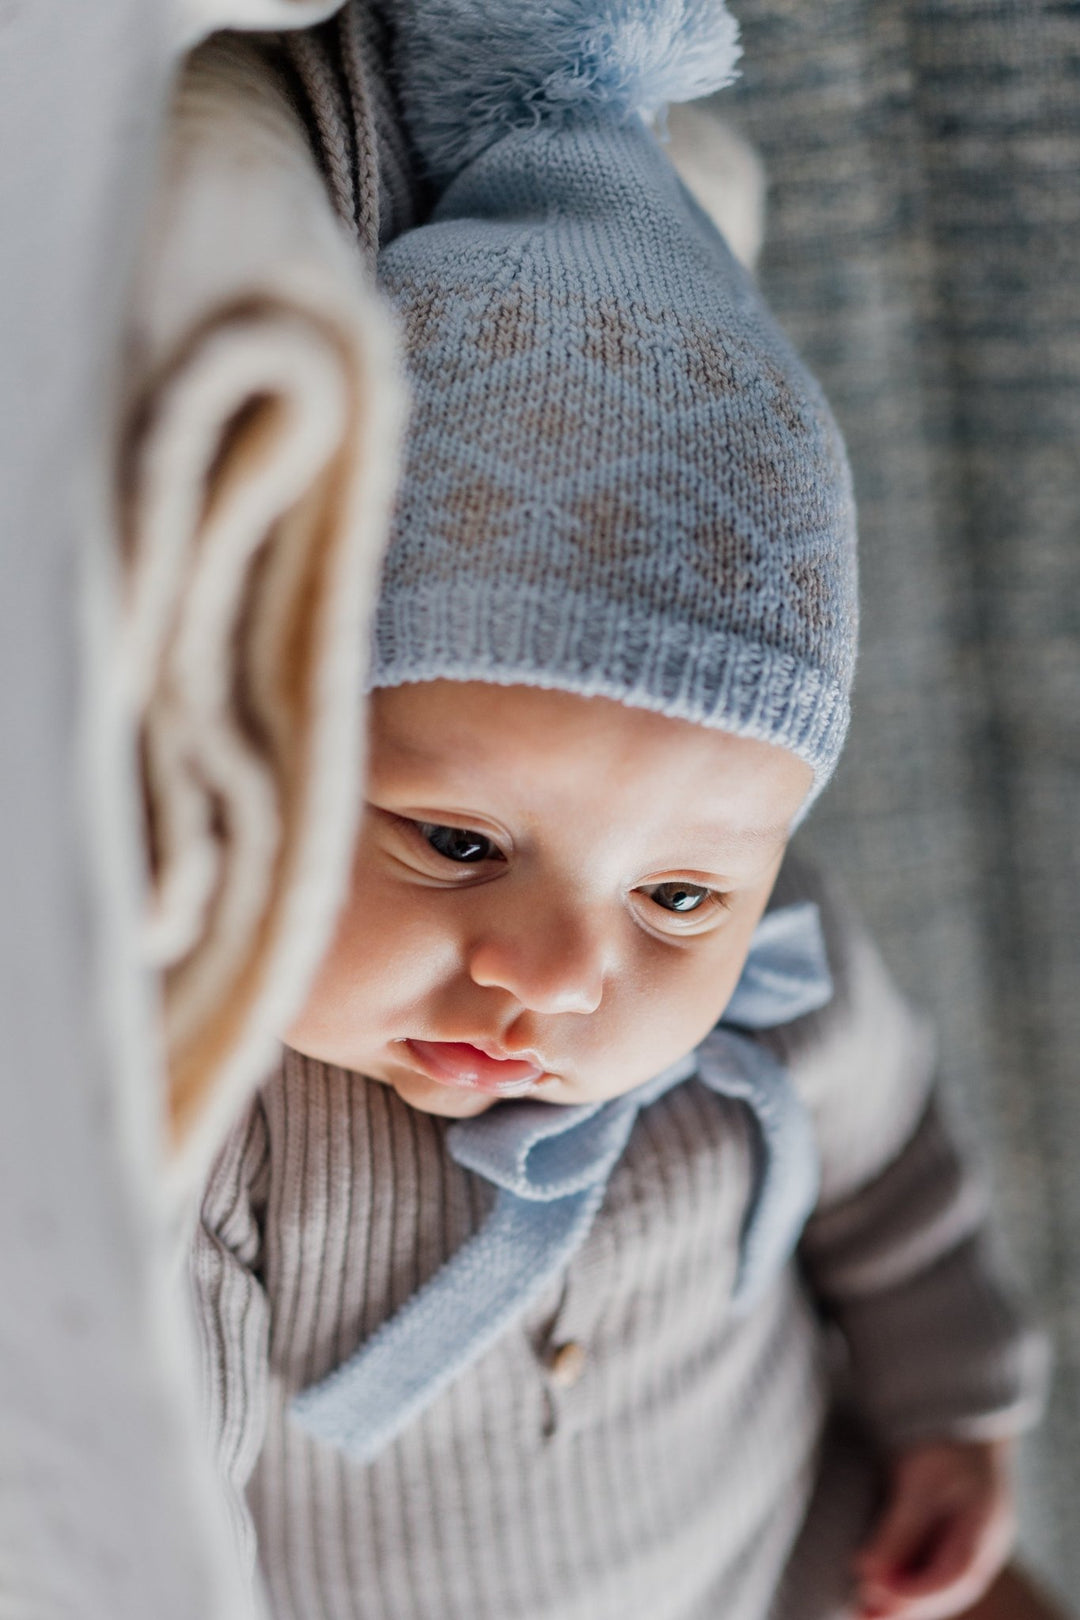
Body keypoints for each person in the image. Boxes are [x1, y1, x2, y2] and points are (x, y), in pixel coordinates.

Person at [190, 3, 1047, 1616]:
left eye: (680, 898)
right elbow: (164, 1483)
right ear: (266, 749)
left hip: (794, 1542)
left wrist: (951, 1408)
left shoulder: (781, 979)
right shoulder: (227, 1108)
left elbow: (894, 1186)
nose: (556, 977)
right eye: (457, 844)